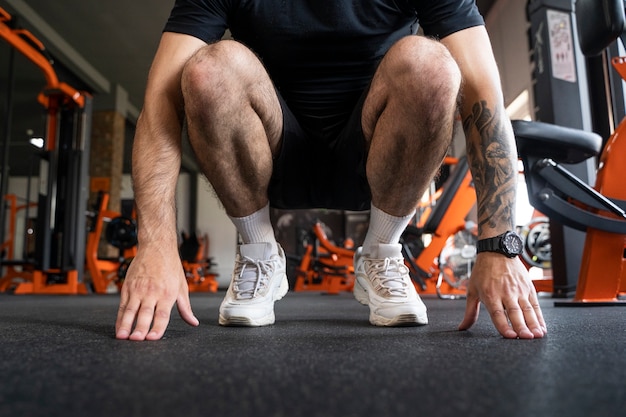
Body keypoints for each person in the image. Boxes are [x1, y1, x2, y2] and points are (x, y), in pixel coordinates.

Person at [115, 0, 547, 341]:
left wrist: (500, 245)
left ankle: (382, 252)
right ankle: (260, 252)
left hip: (378, 159)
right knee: (209, 69)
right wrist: (155, 244)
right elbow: (160, 101)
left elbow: (483, 92)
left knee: (431, 64)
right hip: (267, 158)